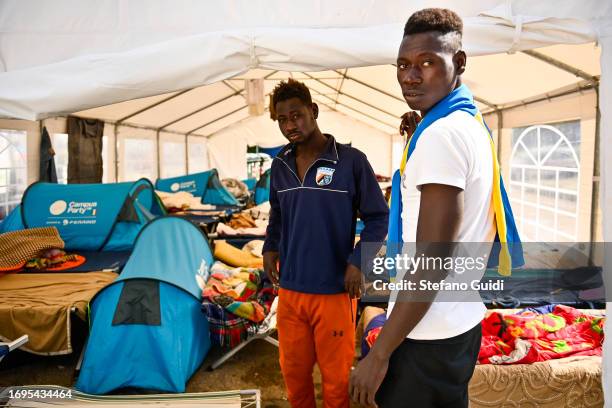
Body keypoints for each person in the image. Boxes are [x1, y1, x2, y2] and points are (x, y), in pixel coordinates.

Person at [349, 8, 522, 408]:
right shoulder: (467, 123)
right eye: (404, 65)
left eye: (427, 62)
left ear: (458, 63)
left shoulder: (441, 136)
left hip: (424, 334)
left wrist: (379, 354)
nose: (411, 76)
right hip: (458, 322)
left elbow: (431, 262)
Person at [262, 78, 389, 408]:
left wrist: (359, 260)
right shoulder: (279, 165)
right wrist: (269, 247)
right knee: (294, 374)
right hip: (290, 292)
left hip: (334, 292)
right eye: (282, 120)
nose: (290, 125)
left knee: (336, 380)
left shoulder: (351, 161)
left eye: (297, 115)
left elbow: (378, 217)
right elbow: (277, 213)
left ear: (313, 111)